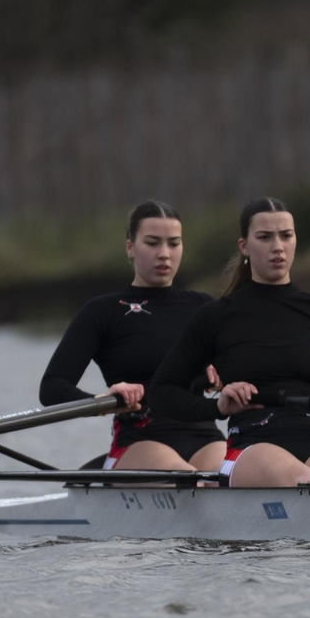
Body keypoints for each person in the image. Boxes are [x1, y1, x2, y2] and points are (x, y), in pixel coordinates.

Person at [148, 197, 310, 487]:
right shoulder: (215, 317)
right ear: (244, 246)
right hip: (252, 441)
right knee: (306, 483)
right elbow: (162, 392)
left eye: (286, 236)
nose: (278, 246)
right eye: (265, 237)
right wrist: (218, 409)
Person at [39, 200, 226, 472]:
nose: (164, 253)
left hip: (204, 436)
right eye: (152, 243)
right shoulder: (103, 311)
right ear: (131, 249)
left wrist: (223, 373)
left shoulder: (203, 307)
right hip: (139, 437)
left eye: (173, 243)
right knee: (189, 480)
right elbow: (52, 387)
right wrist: (101, 403)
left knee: (230, 479)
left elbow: (243, 371)